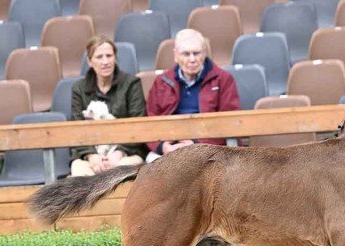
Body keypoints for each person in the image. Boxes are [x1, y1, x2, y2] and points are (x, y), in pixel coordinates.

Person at [146, 29, 240, 158]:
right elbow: (150, 121)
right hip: (170, 147)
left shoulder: (223, 79)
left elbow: (229, 123)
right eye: (186, 54)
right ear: (176, 55)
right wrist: (162, 146)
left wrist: (196, 144)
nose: (192, 59)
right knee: (151, 162)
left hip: (209, 149)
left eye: (196, 53)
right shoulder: (161, 81)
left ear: (204, 53)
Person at [70, 35, 147, 176]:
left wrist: (119, 153)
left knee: (123, 170)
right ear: (90, 61)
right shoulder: (78, 89)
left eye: (109, 56)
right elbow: (77, 129)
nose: (105, 61)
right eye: (99, 57)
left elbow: (138, 125)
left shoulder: (131, 84)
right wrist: (92, 156)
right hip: (90, 156)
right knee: (79, 171)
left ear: (115, 58)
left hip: (125, 153)